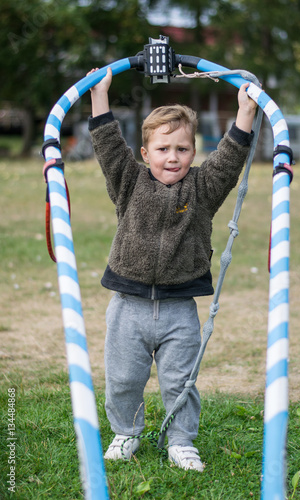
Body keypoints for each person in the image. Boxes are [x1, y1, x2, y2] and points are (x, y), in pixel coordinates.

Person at [87, 66, 257, 472]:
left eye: (182, 149)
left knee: (180, 382)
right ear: (145, 154)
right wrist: (99, 94)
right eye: (163, 149)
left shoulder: (202, 188)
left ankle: (181, 441)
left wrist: (246, 111)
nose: (173, 157)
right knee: (124, 379)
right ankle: (126, 433)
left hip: (180, 308)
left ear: (194, 152)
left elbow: (231, 158)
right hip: (128, 305)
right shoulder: (129, 182)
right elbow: (109, 146)